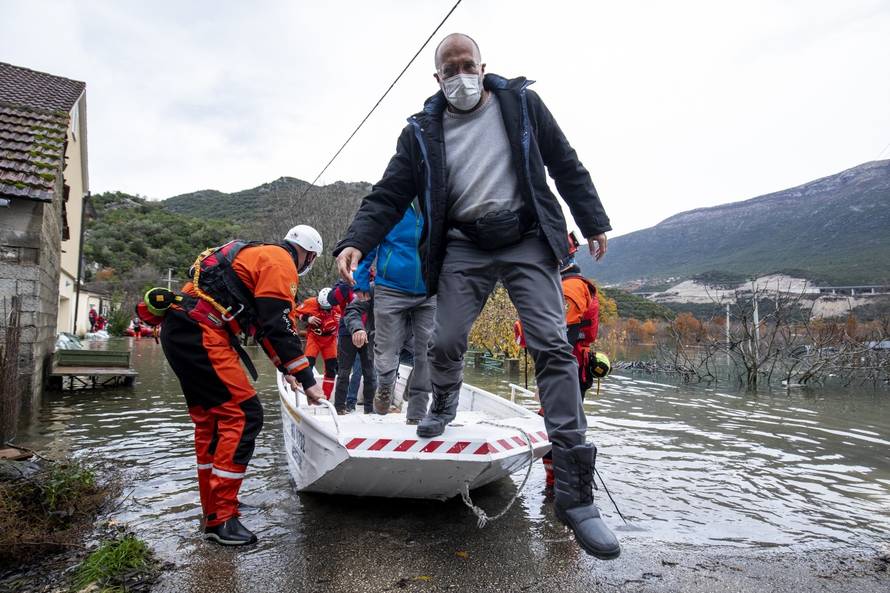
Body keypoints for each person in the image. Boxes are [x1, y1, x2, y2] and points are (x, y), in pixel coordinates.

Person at [333, 33, 619, 559]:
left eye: (468, 66)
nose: (461, 76)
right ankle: (444, 399)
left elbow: (564, 162)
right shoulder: (420, 131)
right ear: (437, 78)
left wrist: (592, 218)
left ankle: (576, 496)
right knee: (443, 341)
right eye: (451, 70)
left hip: (526, 237)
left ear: (483, 67)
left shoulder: (523, 104)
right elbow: (389, 194)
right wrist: (356, 240)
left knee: (552, 345)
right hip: (464, 243)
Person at [160, 225, 324, 546]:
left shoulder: (259, 256)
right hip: (201, 331)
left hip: (184, 328)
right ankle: (222, 517)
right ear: (309, 255)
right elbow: (279, 324)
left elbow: (262, 326)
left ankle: (215, 507)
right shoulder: (280, 262)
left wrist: (287, 368)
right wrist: (308, 380)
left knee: (213, 422)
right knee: (245, 415)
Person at [515, 232, 603, 487]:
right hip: (563, 368)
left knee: (560, 427)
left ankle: (566, 488)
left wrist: (526, 329)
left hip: (566, 370)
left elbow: (560, 338)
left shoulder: (571, 288)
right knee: (556, 425)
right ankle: (557, 487)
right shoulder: (562, 284)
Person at [353, 202, 436, 423]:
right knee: (386, 347)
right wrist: (361, 279)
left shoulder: (438, 200)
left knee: (428, 351)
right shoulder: (392, 202)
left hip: (429, 289)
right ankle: (385, 385)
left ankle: (417, 411)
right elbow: (369, 241)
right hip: (390, 287)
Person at [333, 290, 376, 415]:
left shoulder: (372, 288)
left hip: (368, 334)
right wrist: (344, 284)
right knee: (344, 371)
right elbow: (332, 299)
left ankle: (369, 408)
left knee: (370, 372)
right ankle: (339, 407)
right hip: (347, 333)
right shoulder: (345, 286)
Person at [296, 287, 341, 398]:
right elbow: (295, 312)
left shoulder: (338, 304)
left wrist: (342, 319)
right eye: (323, 308)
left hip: (330, 340)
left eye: (328, 309)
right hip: (314, 338)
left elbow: (351, 315)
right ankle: (307, 392)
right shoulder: (310, 303)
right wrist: (307, 318)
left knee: (331, 369)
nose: (325, 311)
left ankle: (326, 396)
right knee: (308, 365)